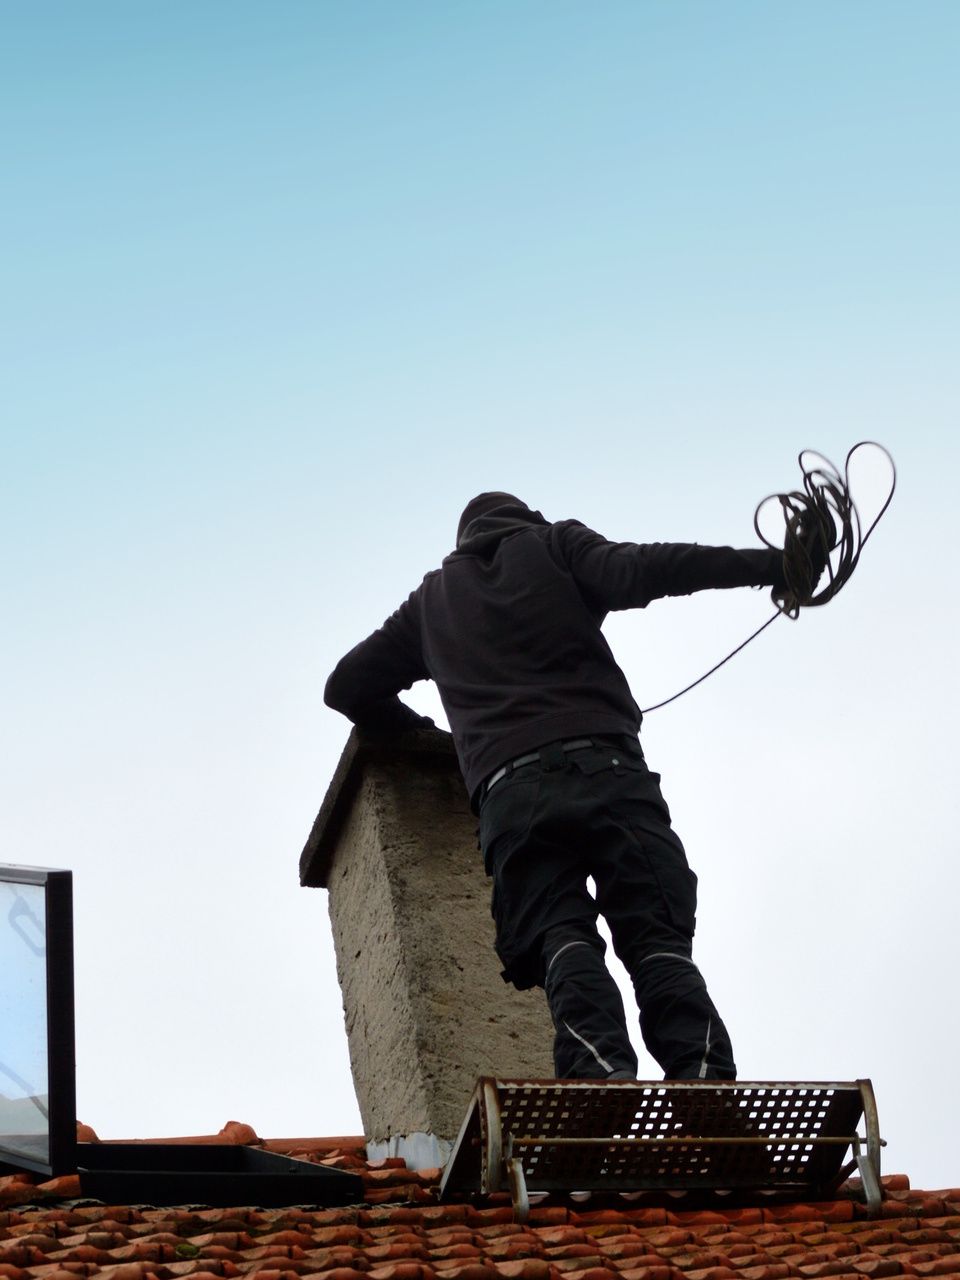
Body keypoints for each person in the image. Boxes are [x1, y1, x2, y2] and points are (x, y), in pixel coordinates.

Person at [325, 492, 805, 1081]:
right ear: (528, 519)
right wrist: (772, 566)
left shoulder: (430, 603)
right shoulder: (555, 544)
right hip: (608, 773)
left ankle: (599, 1078)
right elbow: (651, 567)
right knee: (655, 939)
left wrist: (433, 738)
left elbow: (346, 686)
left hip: (510, 798)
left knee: (562, 939)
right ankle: (703, 1081)